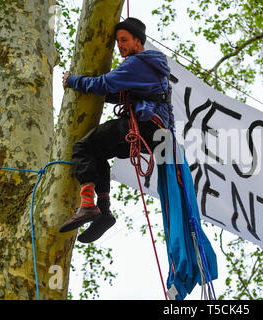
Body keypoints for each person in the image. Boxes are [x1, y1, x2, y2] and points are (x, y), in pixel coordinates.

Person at [59, 17, 174, 243]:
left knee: (82, 147)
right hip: (154, 132)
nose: (120, 45)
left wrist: (73, 81)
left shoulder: (137, 63)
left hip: (144, 125)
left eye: (124, 40)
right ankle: (103, 211)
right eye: (117, 41)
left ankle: (87, 206)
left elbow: (105, 84)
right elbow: (117, 93)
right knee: (97, 153)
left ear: (138, 42)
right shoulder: (151, 66)